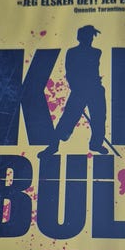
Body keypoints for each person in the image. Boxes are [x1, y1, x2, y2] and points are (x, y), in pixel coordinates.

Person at [38, 25, 108, 157]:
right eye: (88, 36)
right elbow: (70, 72)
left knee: (99, 117)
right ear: (80, 37)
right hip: (79, 90)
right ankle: (53, 145)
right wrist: (76, 88)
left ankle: (96, 144)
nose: (90, 39)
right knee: (68, 118)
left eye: (91, 36)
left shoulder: (96, 52)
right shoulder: (72, 52)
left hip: (95, 90)